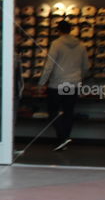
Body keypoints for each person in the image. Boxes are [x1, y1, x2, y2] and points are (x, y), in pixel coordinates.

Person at [38, 20, 89, 151]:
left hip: (57, 84)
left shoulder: (56, 44)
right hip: (73, 83)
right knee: (69, 112)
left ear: (58, 30)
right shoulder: (81, 45)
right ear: (71, 29)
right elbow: (86, 66)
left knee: (53, 112)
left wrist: (42, 82)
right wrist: (79, 79)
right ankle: (65, 138)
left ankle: (61, 138)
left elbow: (49, 66)